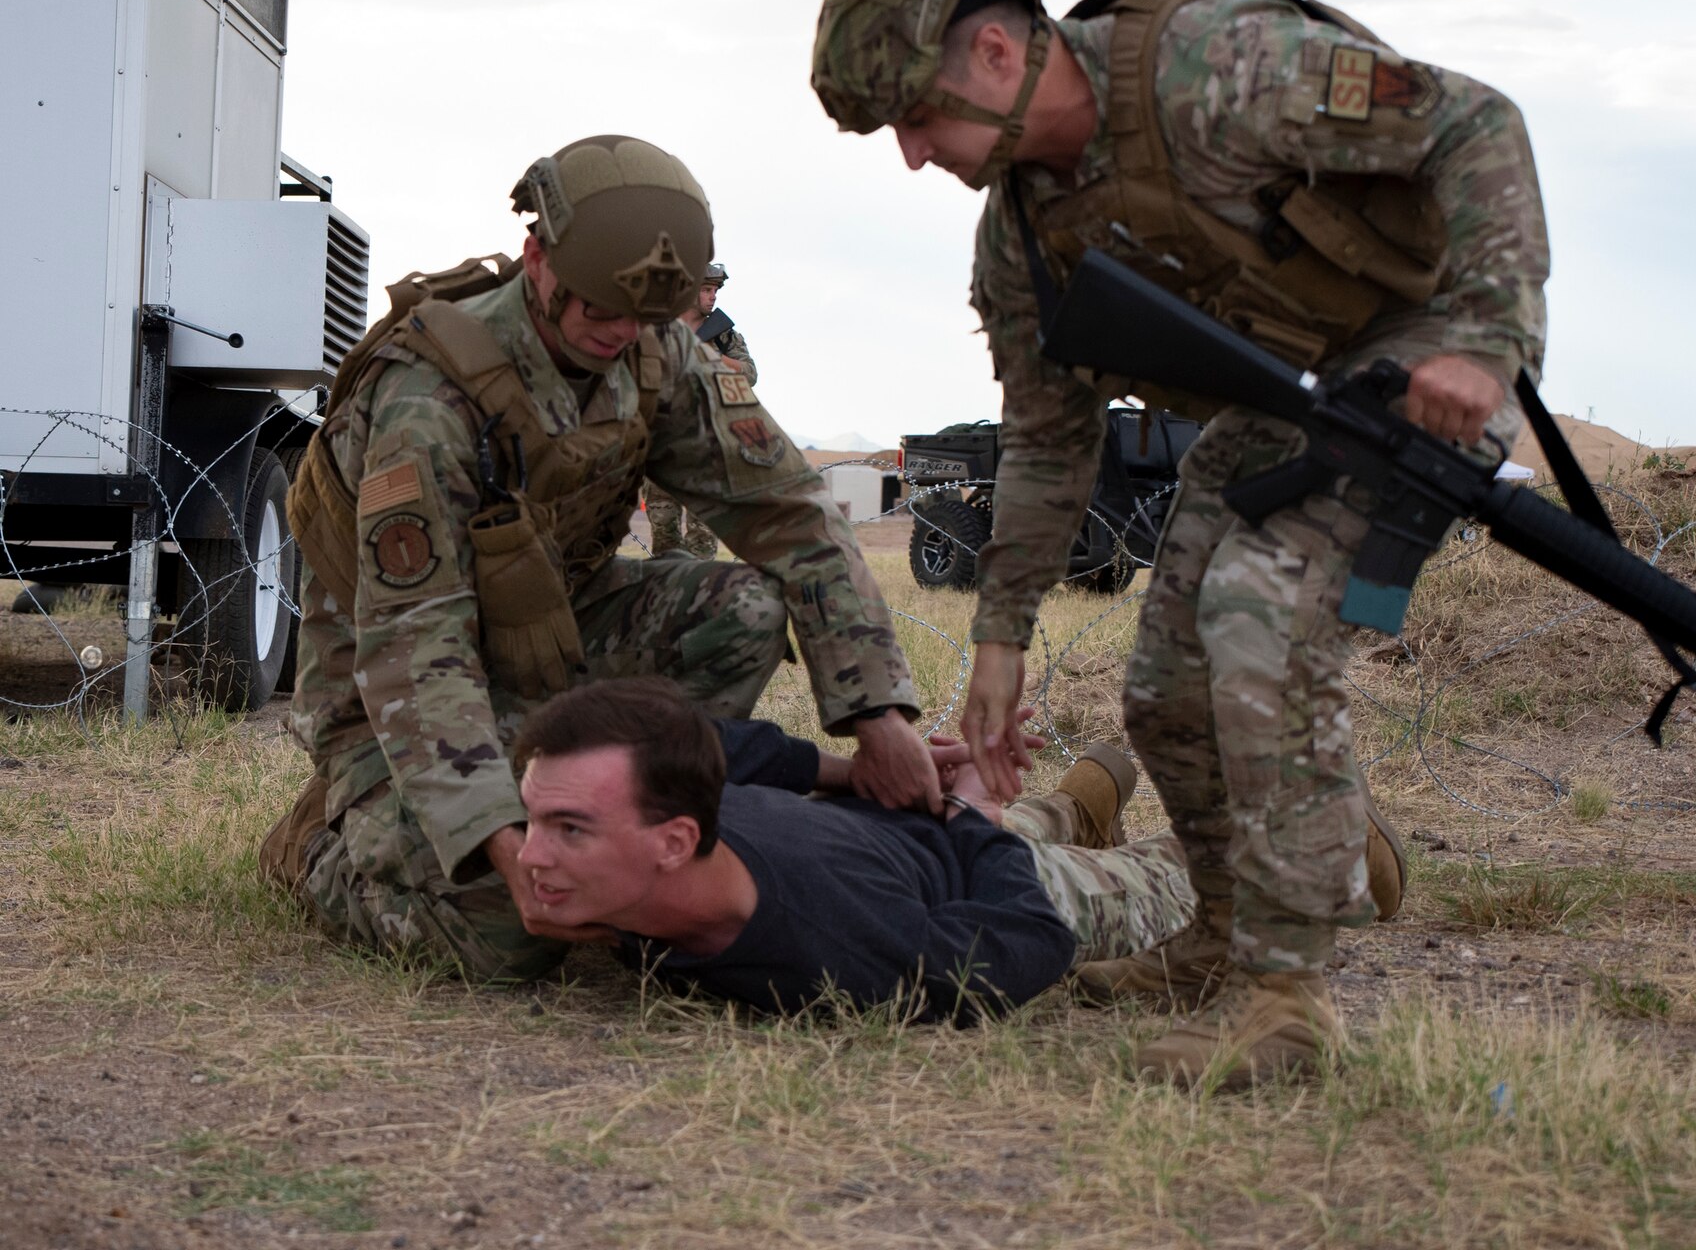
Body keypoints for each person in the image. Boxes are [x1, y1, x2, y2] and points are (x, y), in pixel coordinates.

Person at [811, 0, 1547, 1083]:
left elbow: (1474, 125)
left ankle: (1286, 994)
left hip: (1416, 367)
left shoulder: (1211, 69)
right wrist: (998, 637)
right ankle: (1216, 937)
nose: (911, 153)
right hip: (1281, 402)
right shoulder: (1021, 237)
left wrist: (1485, 340)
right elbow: (1047, 440)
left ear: (999, 57)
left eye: (917, 114)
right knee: (1160, 691)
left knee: (1254, 618)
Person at [262, 135, 937, 983]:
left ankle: (623, 810)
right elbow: (413, 645)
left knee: (744, 614)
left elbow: (792, 514)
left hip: (556, 633)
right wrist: (501, 846)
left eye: (647, 319)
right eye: (600, 313)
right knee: (515, 933)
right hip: (391, 687)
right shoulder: (429, 399)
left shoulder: (659, 352)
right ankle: (322, 845)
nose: (622, 336)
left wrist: (878, 715)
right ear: (537, 258)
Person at [512, 676, 1203, 1027]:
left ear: (676, 842)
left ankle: (1050, 823)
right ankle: (1071, 808)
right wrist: (869, 775)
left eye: (569, 830)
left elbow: (1024, 946)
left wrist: (972, 815)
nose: (528, 856)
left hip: (998, 879)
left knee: (1221, 870)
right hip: (891, 829)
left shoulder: (834, 944)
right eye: (533, 818)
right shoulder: (656, 797)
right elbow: (724, 743)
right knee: (985, 823)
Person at [642, 264, 754, 562]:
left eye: (715, 291)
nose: (712, 297)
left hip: (706, 442)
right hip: (662, 443)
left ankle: (698, 600)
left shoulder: (723, 336)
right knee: (664, 533)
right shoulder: (658, 331)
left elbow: (749, 374)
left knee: (702, 536)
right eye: (706, 290)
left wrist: (712, 357)